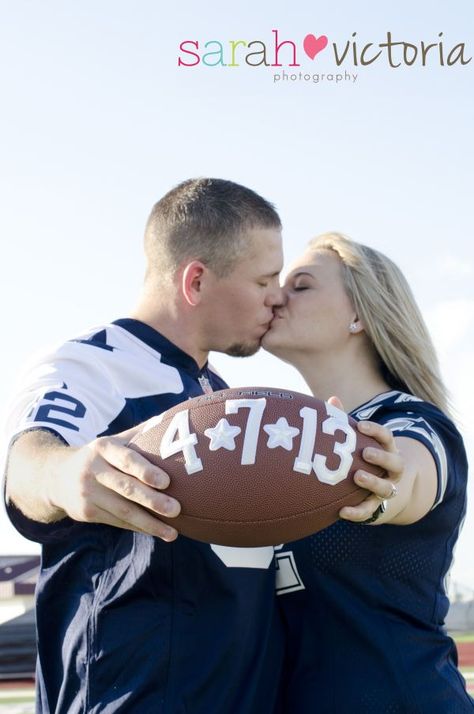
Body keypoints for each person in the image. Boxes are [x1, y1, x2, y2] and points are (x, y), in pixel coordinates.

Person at [4, 180, 398, 714]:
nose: (276, 296)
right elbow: (29, 464)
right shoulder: (92, 366)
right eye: (264, 280)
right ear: (195, 280)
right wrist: (66, 474)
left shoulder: (229, 400)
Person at [263, 232, 473, 713]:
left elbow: (409, 473)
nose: (277, 295)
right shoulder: (281, 446)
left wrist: (380, 483)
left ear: (358, 314)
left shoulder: (413, 424)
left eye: (302, 285)